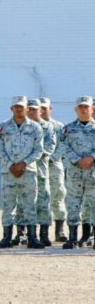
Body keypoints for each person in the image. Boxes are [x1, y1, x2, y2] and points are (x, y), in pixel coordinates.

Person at [0, 96, 44, 249]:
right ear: (11, 109)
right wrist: (10, 165)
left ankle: (32, 238)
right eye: (16, 106)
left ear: (27, 108)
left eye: (21, 106)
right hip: (8, 173)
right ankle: (6, 237)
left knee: (29, 205)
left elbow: (38, 150)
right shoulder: (2, 127)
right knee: (8, 205)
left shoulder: (35, 128)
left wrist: (23, 164)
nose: (19, 109)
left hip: (28, 172)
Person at [58, 96, 95, 249]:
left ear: (92, 109)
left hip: (92, 172)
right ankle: (72, 237)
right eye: (80, 107)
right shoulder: (67, 129)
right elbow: (62, 146)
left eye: (87, 106)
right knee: (73, 204)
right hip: (74, 172)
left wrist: (91, 158)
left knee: (92, 204)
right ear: (76, 110)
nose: (84, 109)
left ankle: (90, 236)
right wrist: (78, 159)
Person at [25, 99, 54, 246]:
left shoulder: (47, 127)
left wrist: (33, 154)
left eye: (35, 109)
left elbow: (50, 146)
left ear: (40, 111)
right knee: (26, 203)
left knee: (44, 202)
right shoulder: (24, 127)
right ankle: (27, 234)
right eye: (29, 109)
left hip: (41, 169)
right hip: (24, 171)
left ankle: (44, 234)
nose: (32, 111)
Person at [41, 98, 69, 243]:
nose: (41, 110)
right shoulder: (34, 126)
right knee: (39, 199)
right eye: (39, 108)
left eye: (44, 108)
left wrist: (50, 158)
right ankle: (40, 232)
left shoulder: (59, 126)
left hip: (54, 166)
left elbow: (63, 145)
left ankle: (59, 230)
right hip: (38, 167)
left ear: (50, 109)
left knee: (58, 197)